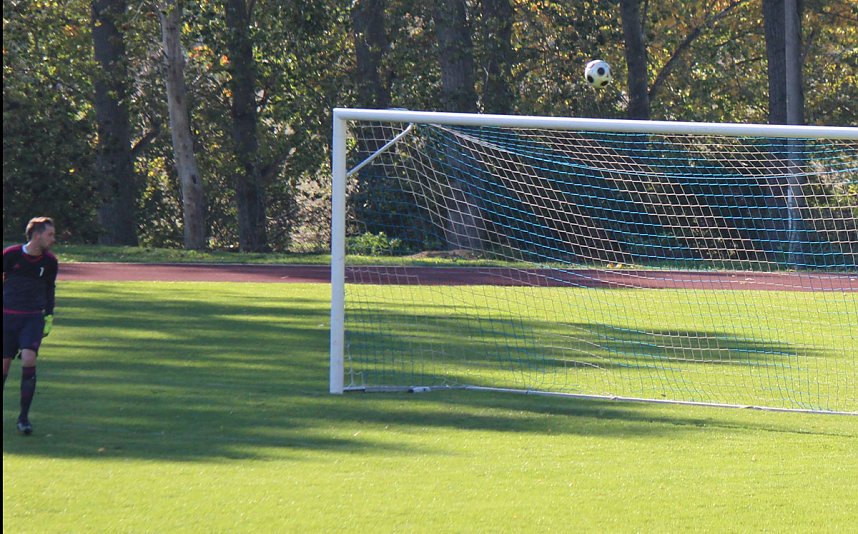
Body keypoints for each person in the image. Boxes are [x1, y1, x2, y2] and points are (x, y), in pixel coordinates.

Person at [3, 216, 58, 435]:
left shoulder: (50, 262)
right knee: (4, 365)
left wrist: (49, 317)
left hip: (32, 318)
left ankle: (23, 418)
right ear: (37, 235)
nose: (53, 239)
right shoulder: (11, 255)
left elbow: (49, 289)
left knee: (29, 358)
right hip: (7, 316)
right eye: (50, 234)